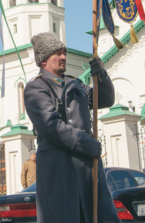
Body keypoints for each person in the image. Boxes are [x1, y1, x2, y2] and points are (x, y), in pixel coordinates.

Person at [24, 32, 119, 223]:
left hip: (86, 167)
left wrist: (102, 75)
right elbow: (51, 126)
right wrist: (87, 143)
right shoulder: (35, 88)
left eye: (64, 52)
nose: (63, 57)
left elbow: (105, 99)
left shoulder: (75, 84)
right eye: (57, 53)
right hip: (59, 168)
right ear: (43, 61)